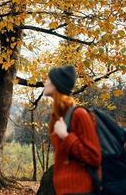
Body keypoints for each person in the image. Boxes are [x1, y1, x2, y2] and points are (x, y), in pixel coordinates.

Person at [43, 65, 102, 195]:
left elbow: (94, 157)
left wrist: (65, 136)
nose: (44, 82)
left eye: (48, 79)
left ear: (56, 84)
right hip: (64, 190)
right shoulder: (59, 117)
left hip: (81, 189)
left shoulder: (79, 114)